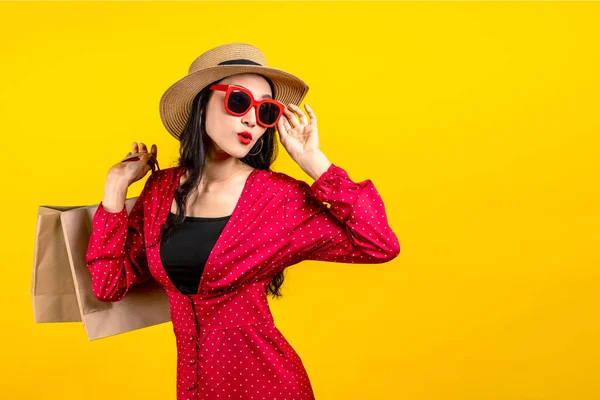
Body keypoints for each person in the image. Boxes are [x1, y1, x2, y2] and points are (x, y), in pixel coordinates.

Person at [85, 43, 400, 400]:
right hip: (193, 388)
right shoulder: (160, 190)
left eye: (266, 110)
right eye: (239, 101)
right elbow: (108, 285)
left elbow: (379, 244)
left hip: (269, 386)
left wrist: (315, 164)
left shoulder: (277, 199)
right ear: (202, 103)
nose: (252, 118)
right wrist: (115, 188)